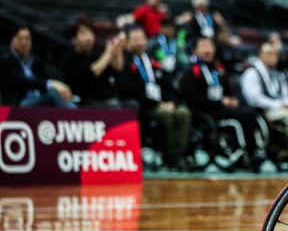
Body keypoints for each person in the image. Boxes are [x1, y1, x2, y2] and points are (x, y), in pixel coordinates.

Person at [180, 35, 267, 172]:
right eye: (204, 47)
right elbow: (193, 99)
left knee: (253, 111)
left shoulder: (219, 69)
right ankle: (250, 151)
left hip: (222, 107)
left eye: (210, 46)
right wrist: (220, 102)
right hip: (206, 110)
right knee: (245, 115)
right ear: (195, 51)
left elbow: (231, 90)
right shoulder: (191, 71)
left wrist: (232, 99)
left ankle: (257, 150)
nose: (208, 50)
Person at [117, 25, 191, 170]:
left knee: (183, 112)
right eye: (135, 39)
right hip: (144, 106)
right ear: (127, 43)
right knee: (167, 114)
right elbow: (130, 91)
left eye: (142, 38)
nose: (139, 42)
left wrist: (172, 102)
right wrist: (158, 104)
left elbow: (168, 83)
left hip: (161, 103)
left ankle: (180, 154)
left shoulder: (152, 61)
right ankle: (170, 156)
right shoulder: (125, 63)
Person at [240, 41, 288, 167]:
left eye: (274, 54)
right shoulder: (252, 73)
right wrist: (278, 105)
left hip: (281, 109)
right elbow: (254, 98)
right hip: (264, 111)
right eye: (268, 53)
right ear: (259, 55)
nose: (273, 57)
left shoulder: (279, 74)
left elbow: (286, 95)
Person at [61, 16, 138, 110]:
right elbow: (93, 72)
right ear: (74, 39)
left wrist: (119, 49)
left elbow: (117, 69)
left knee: (132, 104)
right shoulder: (70, 59)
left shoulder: (96, 56)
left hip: (109, 99)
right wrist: (108, 52)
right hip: (87, 102)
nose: (88, 38)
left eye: (90, 33)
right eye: (83, 34)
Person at [0, 25, 76, 108]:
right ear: (11, 41)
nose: (24, 42)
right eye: (19, 38)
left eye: (27, 38)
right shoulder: (5, 62)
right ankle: (78, 117)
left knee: (58, 94)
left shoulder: (36, 62)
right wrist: (51, 84)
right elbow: (23, 81)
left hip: (39, 102)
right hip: (18, 106)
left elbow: (42, 84)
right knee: (53, 92)